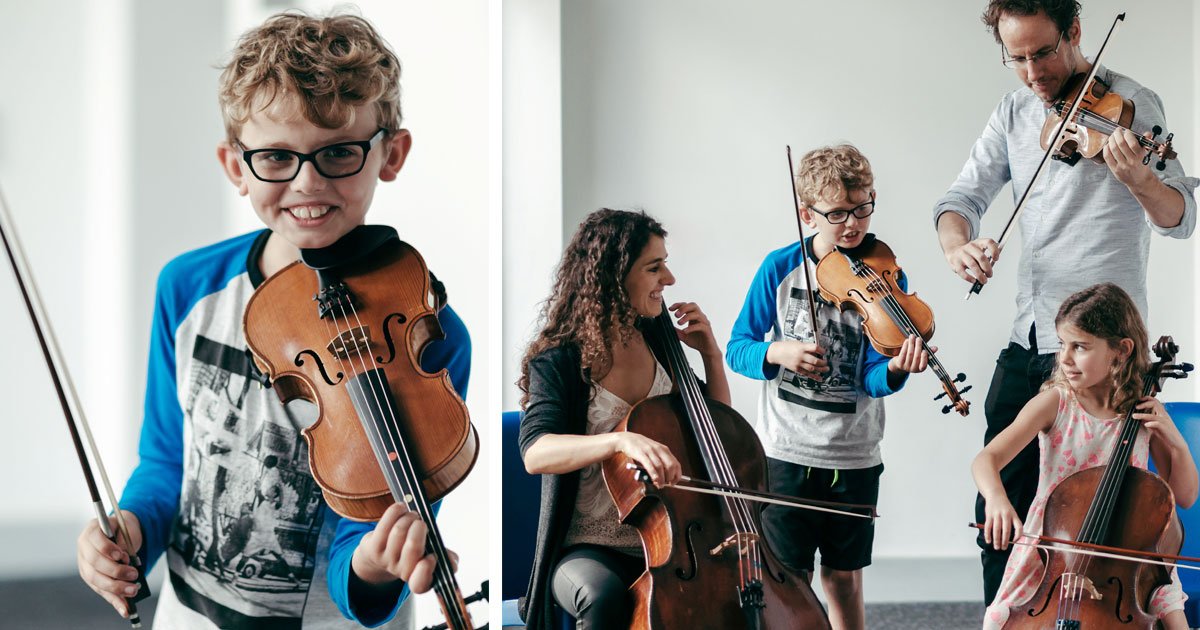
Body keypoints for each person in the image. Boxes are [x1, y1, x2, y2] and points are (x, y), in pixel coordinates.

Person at [74, 11, 470, 628]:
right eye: (276, 157)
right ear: (237, 166)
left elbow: (368, 526)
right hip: (190, 616)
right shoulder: (188, 289)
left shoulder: (422, 335)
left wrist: (371, 562)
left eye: (338, 151)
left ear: (391, 154)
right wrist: (129, 530)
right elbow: (165, 464)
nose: (307, 182)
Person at [932, 0, 1198, 604]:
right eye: (1016, 57)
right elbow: (961, 198)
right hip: (1031, 338)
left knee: (1112, 526)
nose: (1032, 73)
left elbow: (1179, 217)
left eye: (1043, 52)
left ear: (1075, 31)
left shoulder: (1132, 104)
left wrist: (1139, 179)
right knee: (996, 515)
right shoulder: (1014, 110)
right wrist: (958, 246)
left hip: (1102, 351)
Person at [726, 144, 931, 630]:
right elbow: (738, 347)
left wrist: (898, 370)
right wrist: (779, 353)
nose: (853, 225)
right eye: (837, 213)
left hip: (853, 455)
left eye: (863, 208)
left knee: (844, 576)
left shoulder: (885, 272)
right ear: (806, 213)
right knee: (788, 577)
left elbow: (872, 378)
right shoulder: (779, 268)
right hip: (785, 453)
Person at [516, 208, 730, 630]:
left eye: (665, 264)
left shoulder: (660, 339)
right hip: (588, 547)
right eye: (655, 267)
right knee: (604, 597)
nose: (668, 279)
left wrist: (712, 356)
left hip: (674, 540)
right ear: (614, 277)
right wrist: (618, 441)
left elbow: (715, 429)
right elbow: (536, 452)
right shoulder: (560, 360)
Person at [973, 282, 1197, 628]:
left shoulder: (1142, 414)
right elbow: (986, 460)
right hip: (1054, 553)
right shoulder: (1055, 403)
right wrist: (996, 499)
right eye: (1063, 344)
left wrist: (1175, 442)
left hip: (1126, 551)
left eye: (1080, 346)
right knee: (999, 619)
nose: (1064, 357)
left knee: (1174, 616)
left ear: (1121, 350)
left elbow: (1184, 496)